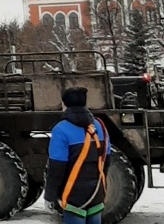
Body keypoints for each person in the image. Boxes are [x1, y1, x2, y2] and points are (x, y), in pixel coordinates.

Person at [44, 87, 110, 224]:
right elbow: (106, 160)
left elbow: (56, 167)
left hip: (73, 195)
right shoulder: (100, 126)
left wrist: (50, 196)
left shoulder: (60, 129)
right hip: (96, 192)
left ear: (64, 104)